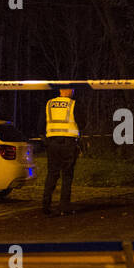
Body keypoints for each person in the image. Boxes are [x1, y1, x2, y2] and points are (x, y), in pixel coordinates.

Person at [42, 86, 80, 215]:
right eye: (72, 90)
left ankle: (45, 205)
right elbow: (81, 121)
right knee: (67, 175)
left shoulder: (49, 104)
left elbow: (41, 123)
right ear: (67, 90)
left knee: (52, 173)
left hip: (52, 143)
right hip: (68, 143)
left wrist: (45, 140)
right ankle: (64, 206)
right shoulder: (73, 104)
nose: (73, 92)